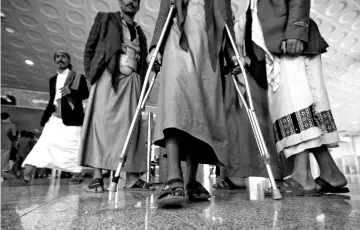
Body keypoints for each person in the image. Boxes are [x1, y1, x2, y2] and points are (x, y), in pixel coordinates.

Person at [250, 0, 348, 195]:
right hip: (278, 45)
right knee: (300, 107)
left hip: (289, 41)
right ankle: (331, 173)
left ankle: (302, 176)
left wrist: (296, 32)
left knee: (295, 105)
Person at [148, 0, 240, 206]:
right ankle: (174, 177)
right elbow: (164, 15)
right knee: (175, 102)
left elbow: (226, 23)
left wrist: (233, 55)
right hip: (177, 40)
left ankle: (191, 180)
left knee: (200, 113)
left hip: (208, 50)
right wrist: (156, 48)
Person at [79, 0, 153, 192]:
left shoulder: (140, 32)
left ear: (138, 5)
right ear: (120, 2)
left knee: (131, 127)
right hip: (107, 78)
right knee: (101, 124)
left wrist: (143, 88)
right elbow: (89, 49)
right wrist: (92, 75)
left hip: (132, 82)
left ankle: (131, 178)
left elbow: (143, 62)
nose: (131, 1)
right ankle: (97, 176)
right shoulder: (105, 19)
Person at [213, 15, 284, 190]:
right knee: (235, 127)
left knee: (259, 125)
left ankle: (275, 173)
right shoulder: (227, 24)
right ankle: (236, 174)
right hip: (232, 77)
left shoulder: (249, 19)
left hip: (251, 76)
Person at [21, 50, 89, 184]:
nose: (60, 59)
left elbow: (85, 94)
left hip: (73, 119)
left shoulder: (77, 77)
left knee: (73, 146)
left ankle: (76, 173)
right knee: (44, 143)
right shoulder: (52, 80)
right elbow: (53, 98)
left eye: (63, 57)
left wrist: (72, 92)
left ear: (68, 61)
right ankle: (29, 168)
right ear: (55, 60)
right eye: (57, 57)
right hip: (55, 118)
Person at [1, 112, 17, 181]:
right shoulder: (12, 125)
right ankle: (5, 176)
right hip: (6, 145)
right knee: (2, 163)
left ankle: (5, 176)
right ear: (8, 117)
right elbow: (14, 137)